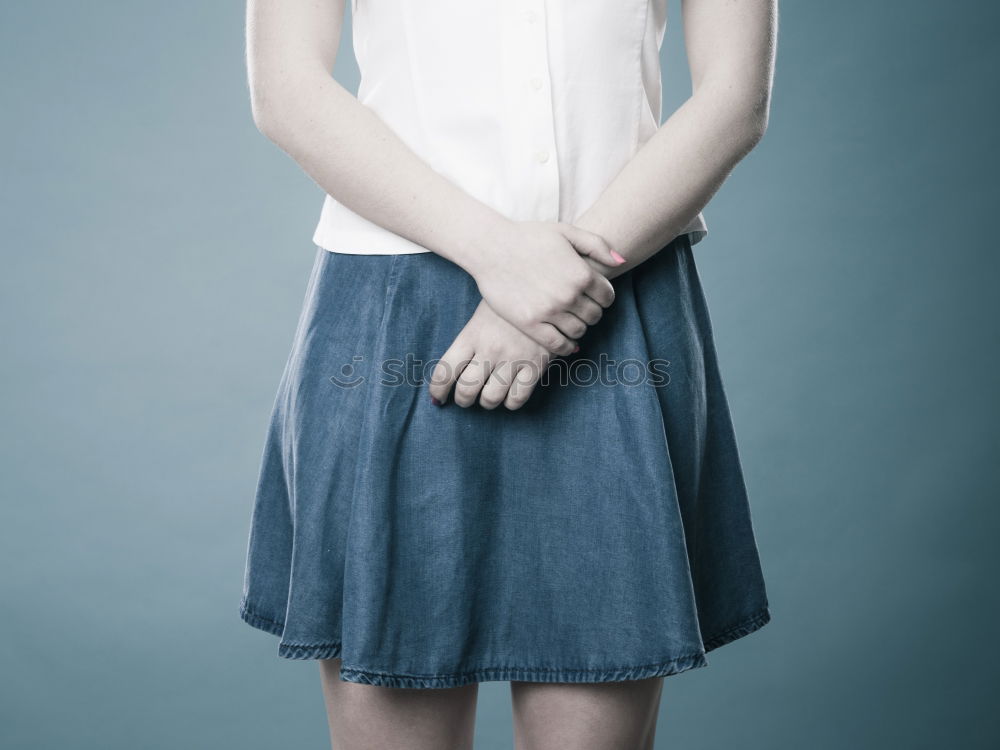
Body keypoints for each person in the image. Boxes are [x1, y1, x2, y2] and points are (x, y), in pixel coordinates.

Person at [239, 0, 777, 747]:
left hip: (617, 291)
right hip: (398, 303)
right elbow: (286, 87)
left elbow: (735, 97)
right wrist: (499, 257)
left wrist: (556, 284)